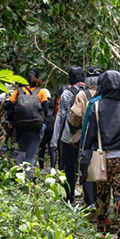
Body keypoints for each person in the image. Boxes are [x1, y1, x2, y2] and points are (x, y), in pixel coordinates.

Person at [80, 70, 120, 239]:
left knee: (101, 194)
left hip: (102, 158)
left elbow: (88, 135)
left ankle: (102, 226)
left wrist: (84, 156)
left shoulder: (96, 106)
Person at [3, 69, 52, 176]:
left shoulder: (19, 91)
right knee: (31, 155)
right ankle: (27, 179)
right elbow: (46, 110)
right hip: (36, 127)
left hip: (20, 127)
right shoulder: (41, 92)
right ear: (38, 79)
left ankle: (18, 176)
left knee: (22, 151)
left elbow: (7, 106)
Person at [68, 66, 103, 206]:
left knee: (87, 168)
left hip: (87, 137)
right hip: (105, 138)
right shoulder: (106, 95)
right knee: (102, 168)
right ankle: (101, 201)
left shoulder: (82, 95)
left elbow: (75, 116)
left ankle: (90, 202)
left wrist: (76, 125)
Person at [51, 66, 86, 204]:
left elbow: (61, 116)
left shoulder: (67, 94)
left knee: (69, 167)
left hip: (68, 136)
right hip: (86, 135)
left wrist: (55, 139)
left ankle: (69, 196)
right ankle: (89, 198)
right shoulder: (89, 93)